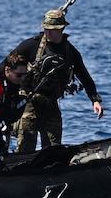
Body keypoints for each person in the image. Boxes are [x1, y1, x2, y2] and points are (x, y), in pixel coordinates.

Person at [7, 9, 104, 153]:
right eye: (46, 29)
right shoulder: (30, 45)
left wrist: (95, 100)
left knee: (53, 147)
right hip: (29, 100)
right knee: (26, 142)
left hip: (50, 102)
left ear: (61, 29)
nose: (48, 33)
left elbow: (84, 76)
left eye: (52, 30)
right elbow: (8, 64)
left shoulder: (70, 52)